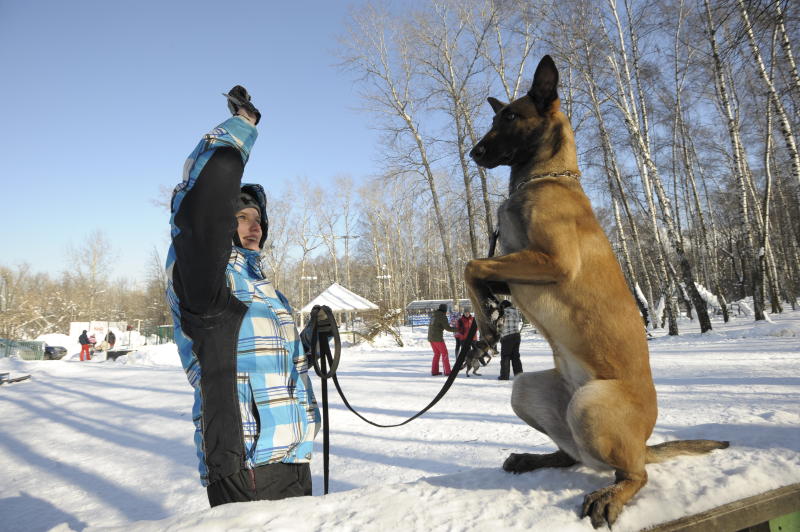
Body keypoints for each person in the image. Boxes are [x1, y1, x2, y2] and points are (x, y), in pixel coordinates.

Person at [165, 86, 320, 507]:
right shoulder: (205, 279)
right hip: (245, 461)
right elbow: (200, 206)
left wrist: (312, 342)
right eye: (240, 216)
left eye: (258, 219)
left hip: (294, 453)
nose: (254, 226)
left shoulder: (269, 291)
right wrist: (240, 129)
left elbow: (287, 367)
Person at [427, 303, 456, 376]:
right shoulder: (442, 316)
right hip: (437, 338)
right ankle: (447, 371)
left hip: (431, 338)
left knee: (437, 354)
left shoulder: (434, 315)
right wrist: (459, 329)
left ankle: (434, 371)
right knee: (444, 353)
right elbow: (448, 328)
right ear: (445, 310)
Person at [498, 300, 523, 380]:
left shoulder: (503, 313)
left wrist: (499, 331)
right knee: (516, 356)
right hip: (517, 336)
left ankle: (504, 376)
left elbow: (500, 325)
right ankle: (519, 375)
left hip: (507, 337)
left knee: (505, 356)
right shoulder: (516, 312)